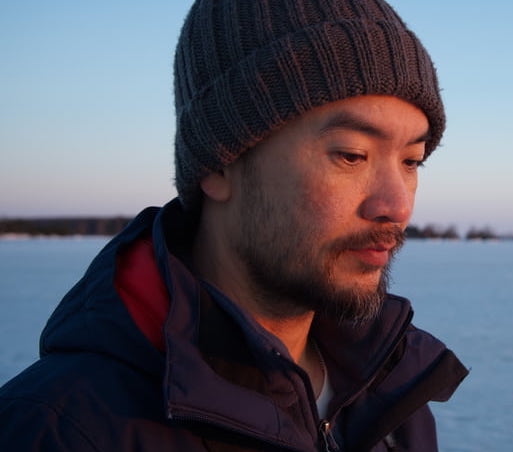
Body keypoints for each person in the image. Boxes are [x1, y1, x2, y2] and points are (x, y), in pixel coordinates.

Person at [0, 0, 468, 450]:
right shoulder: (60, 430)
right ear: (220, 165)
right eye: (351, 155)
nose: (397, 206)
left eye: (412, 160)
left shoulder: (388, 400)